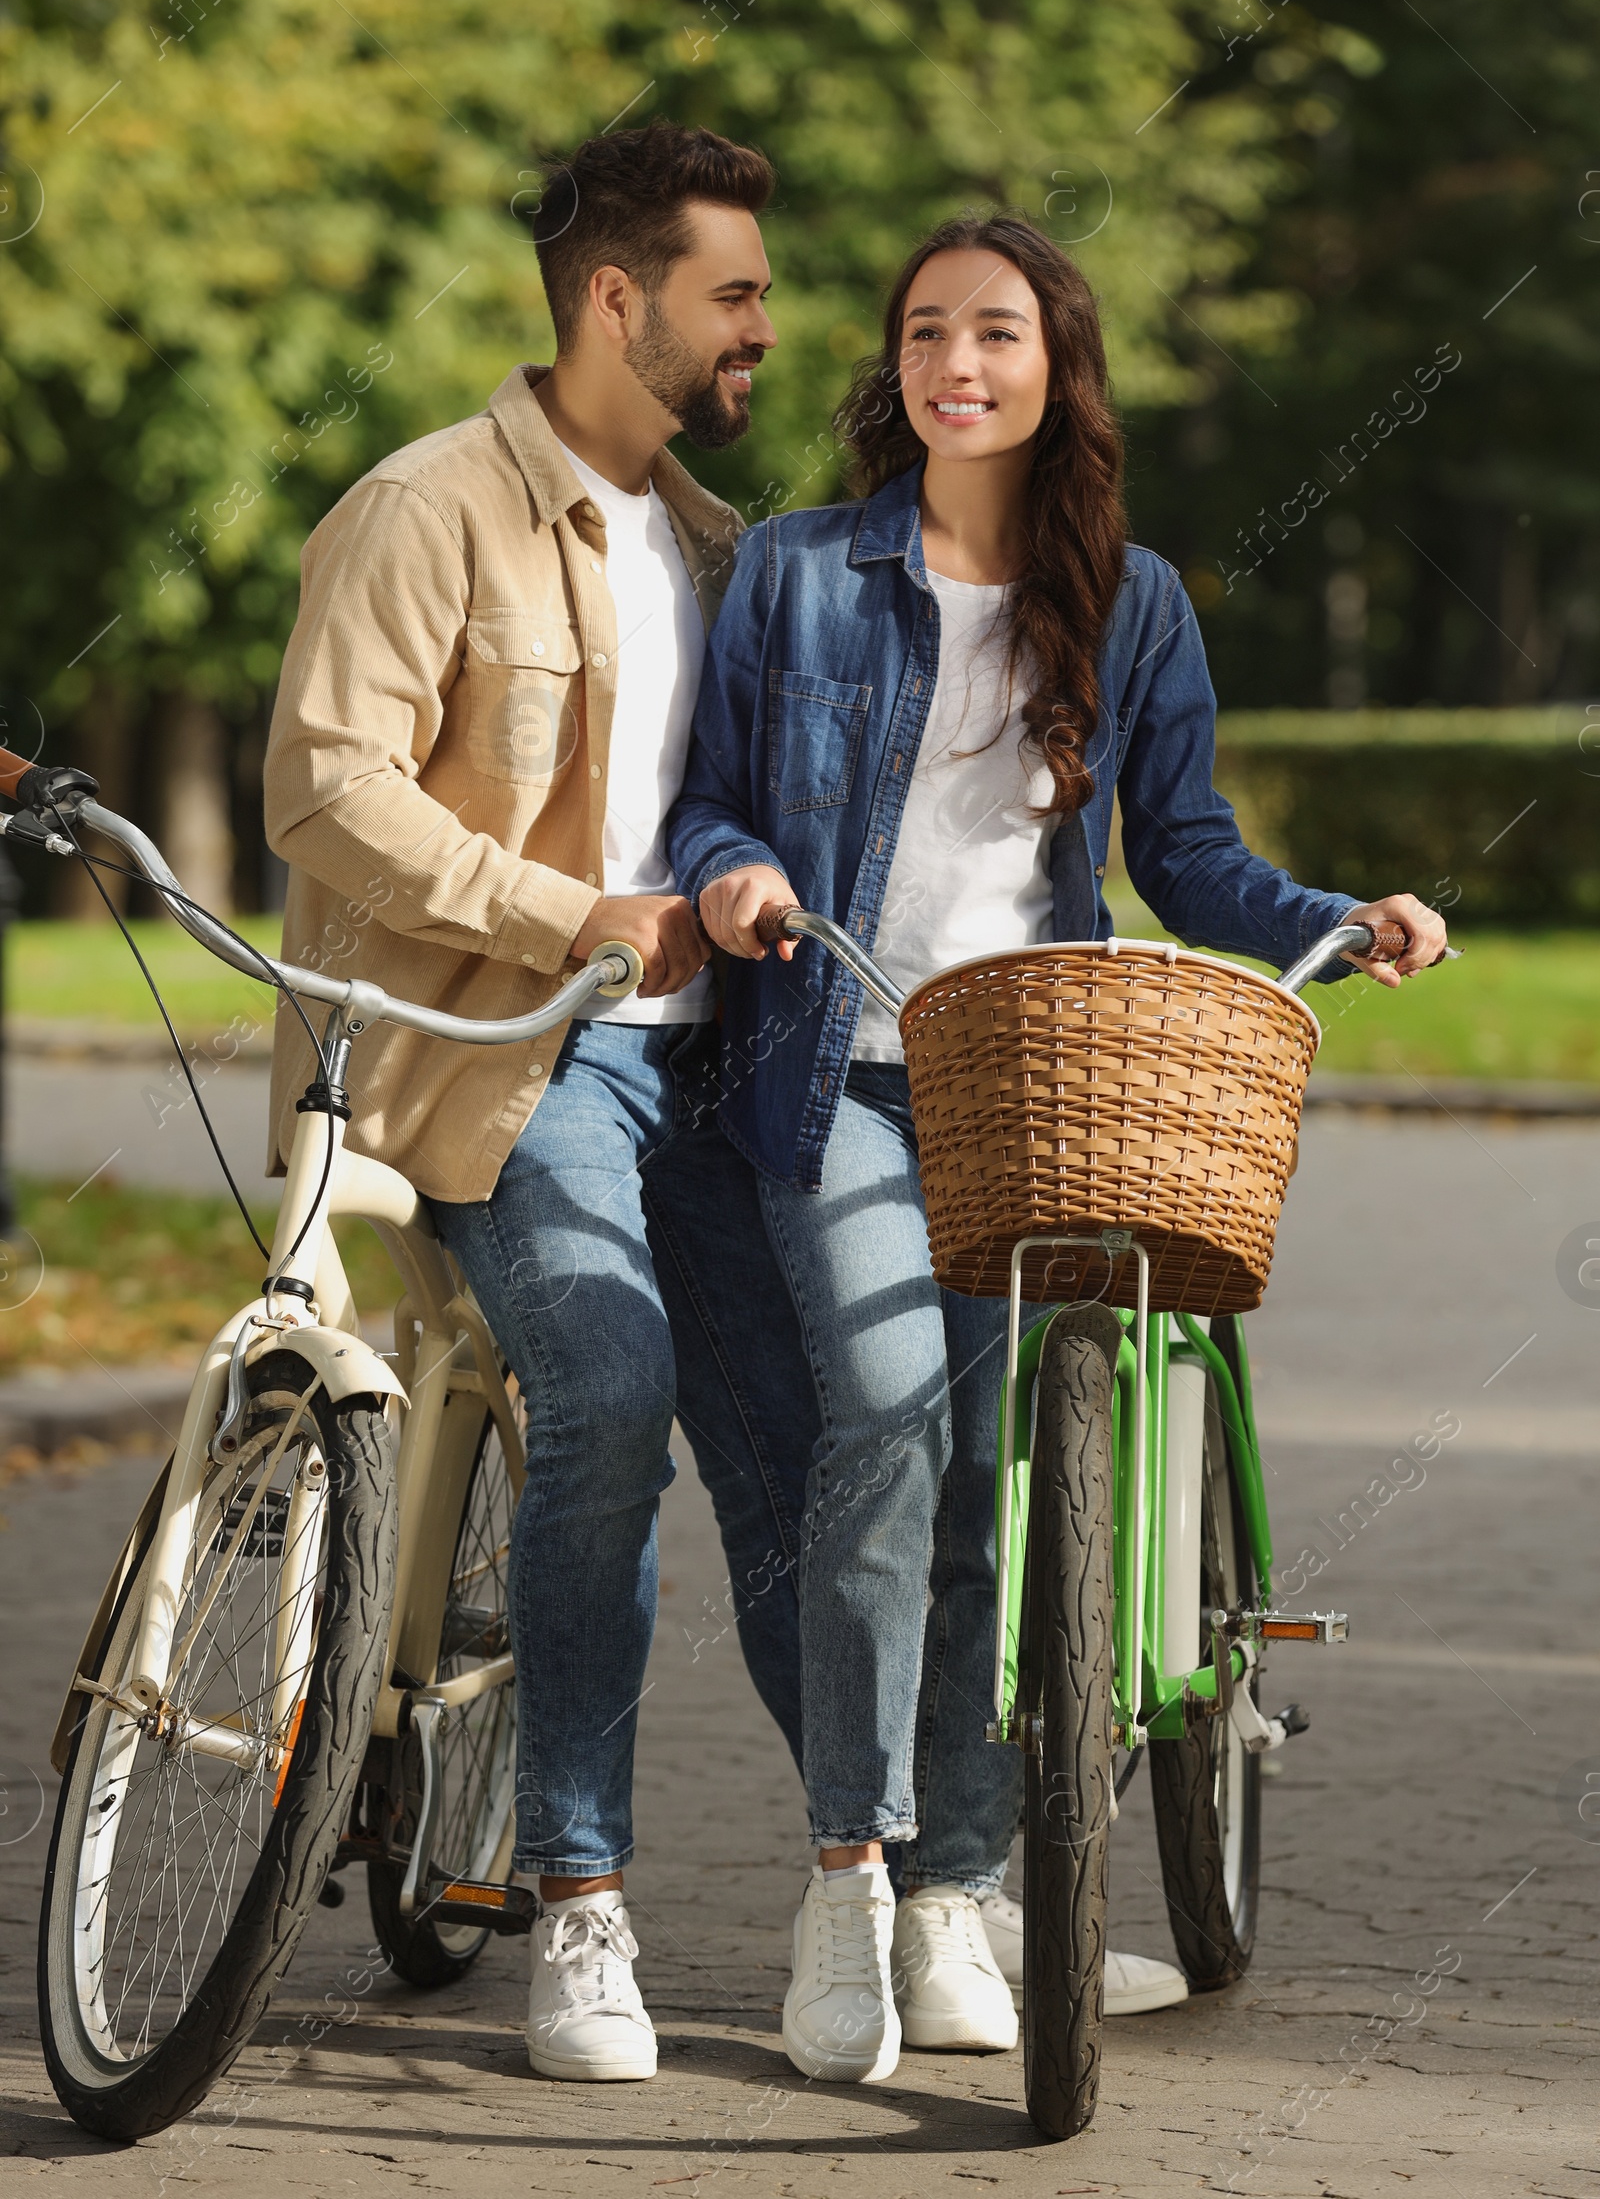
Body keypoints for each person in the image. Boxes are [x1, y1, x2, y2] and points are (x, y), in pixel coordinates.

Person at [668, 210, 1450, 2085]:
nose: (959, 361)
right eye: (928, 330)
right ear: (898, 367)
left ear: (1052, 367)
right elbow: (705, 799)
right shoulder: (791, 573)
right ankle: (847, 1880)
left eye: (997, 332)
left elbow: (1184, 857)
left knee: (978, 1502)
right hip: (832, 1066)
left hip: (1025, 1088)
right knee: (883, 1422)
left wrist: (1343, 914)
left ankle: (953, 1890)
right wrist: (730, 869)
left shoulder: (1133, 598)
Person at [264, 120, 812, 2085]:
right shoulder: (424, 513)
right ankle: (578, 1899)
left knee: (851, 1422)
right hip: (507, 1067)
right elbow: (325, 787)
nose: (762, 327)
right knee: (606, 1380)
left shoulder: (726, 553)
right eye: (731, 291)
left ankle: (915, 1874)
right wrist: (573, 915)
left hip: (722, 1089)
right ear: (616, 296)